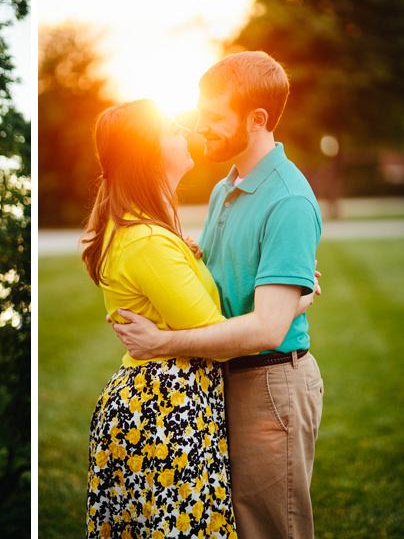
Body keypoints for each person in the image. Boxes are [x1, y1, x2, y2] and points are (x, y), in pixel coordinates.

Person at [112, 51, 324, 539]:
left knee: (270, 529)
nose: (198, 126)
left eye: (213, 117)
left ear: (256, 120)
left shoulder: (288, 199)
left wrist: (160, 343)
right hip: (224, 379)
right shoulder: (224, 186)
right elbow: (227, 288)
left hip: (270, 384)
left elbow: (269, 328)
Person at [81, 98, 244, 539]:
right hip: (166, 412)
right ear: (150, 155)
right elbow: (222, 338)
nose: (185, 132)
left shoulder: (141, 229)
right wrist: (293, 300)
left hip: (157, 405)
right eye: (172, 129)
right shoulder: (146, 240)